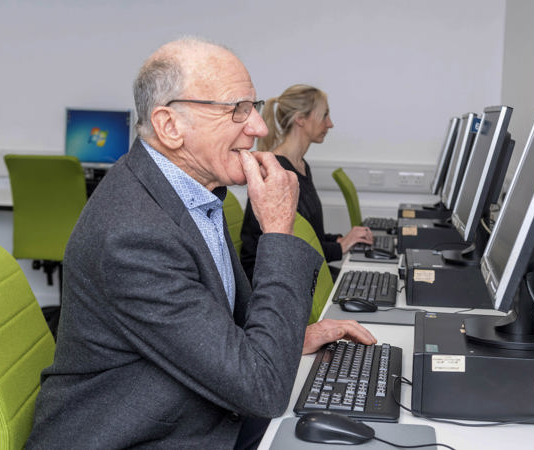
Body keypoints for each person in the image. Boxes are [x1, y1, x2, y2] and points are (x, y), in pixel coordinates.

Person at [26, 38, 376, 450]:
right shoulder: (134, 235)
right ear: (170, 126)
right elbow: (261, 387)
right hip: (139, 434)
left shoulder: (192, 192)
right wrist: (279, 231)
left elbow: (220, 328)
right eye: (237, 110)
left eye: (255, 107)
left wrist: (290, 338)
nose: (259, 128)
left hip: (195, 404)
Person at [239, 84, 374, 281]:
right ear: (300, 119)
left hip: (299, 270)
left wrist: (341, 239)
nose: (330, 124)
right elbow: (288, 246)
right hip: (274, 278)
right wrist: (340, 246)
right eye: (324, 115)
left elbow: (309, 232)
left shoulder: (300, 166)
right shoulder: (277, 172)